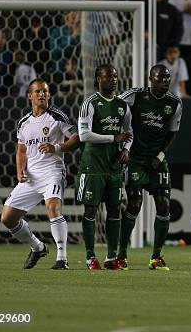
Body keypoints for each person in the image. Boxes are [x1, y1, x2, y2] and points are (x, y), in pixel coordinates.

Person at [1, 78, 79, 269]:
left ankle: (62, 258)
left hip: (53, 171)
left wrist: (57, 147)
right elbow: (21, 151)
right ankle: (37, 247)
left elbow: (77, 138)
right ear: (30, 96)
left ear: (49, 95)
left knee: (52, 208)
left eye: (45, 91)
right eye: (38, 92)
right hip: (32, 176)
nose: (42, 94)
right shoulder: (24, 122)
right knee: (7, 218)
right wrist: (20, 171)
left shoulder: (58, 117)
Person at [117, 65, 183, 271]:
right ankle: (121, 255)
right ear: (150, 79)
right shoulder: (135, 96)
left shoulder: (174, 103)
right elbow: (112, 105)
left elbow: (173, 132)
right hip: (135, 159)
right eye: (160, 77)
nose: (165, 81)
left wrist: (160, 155)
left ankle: (156, 257)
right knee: (134, 204)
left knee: (164, 204)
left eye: (168, 78)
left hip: (157, 159)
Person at [76, 64, 133, 270]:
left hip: (114, 166)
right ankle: (90, 257)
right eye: (109, 76)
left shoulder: (122, 105)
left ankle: (111, 257)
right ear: (98, 79)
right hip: (93, 165)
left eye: (116, 76)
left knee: (115, 209)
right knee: (91, 209)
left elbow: (129, 134)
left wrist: (125, 149)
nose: (113, 79)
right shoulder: (89, 103)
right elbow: (84, 135)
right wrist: (113, 138)